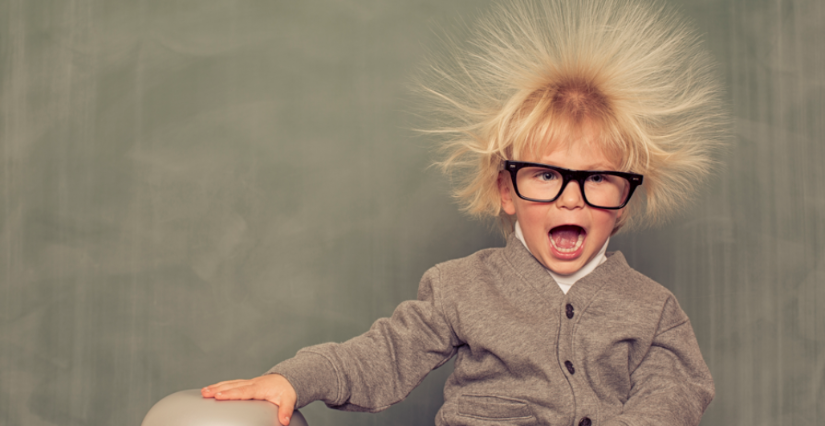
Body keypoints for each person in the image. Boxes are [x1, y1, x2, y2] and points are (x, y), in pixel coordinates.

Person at [202, 0, 727, 425]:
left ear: (624, 201)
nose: (571, 198)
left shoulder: (652, 308)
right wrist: (297, 378)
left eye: (597, 180)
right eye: (546, 175)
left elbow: (676, 388)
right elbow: (383, 354)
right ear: (507, 190)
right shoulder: (462, 287)